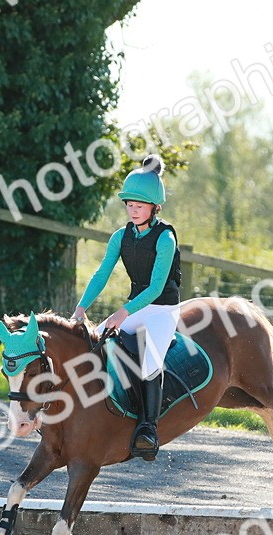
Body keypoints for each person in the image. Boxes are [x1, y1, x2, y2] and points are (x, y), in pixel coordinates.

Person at [72, 154, 183, 461]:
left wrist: (122, 312)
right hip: (135, 308)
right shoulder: (120, 237)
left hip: (161, 310)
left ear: (154, 207)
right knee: (98, 343)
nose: (133, 211)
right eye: (129, 205)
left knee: (149, 364)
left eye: (140, 206)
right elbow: (101, 274)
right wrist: (81, 308)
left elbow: (156, 288)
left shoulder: (166, 237)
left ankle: (148, 429)